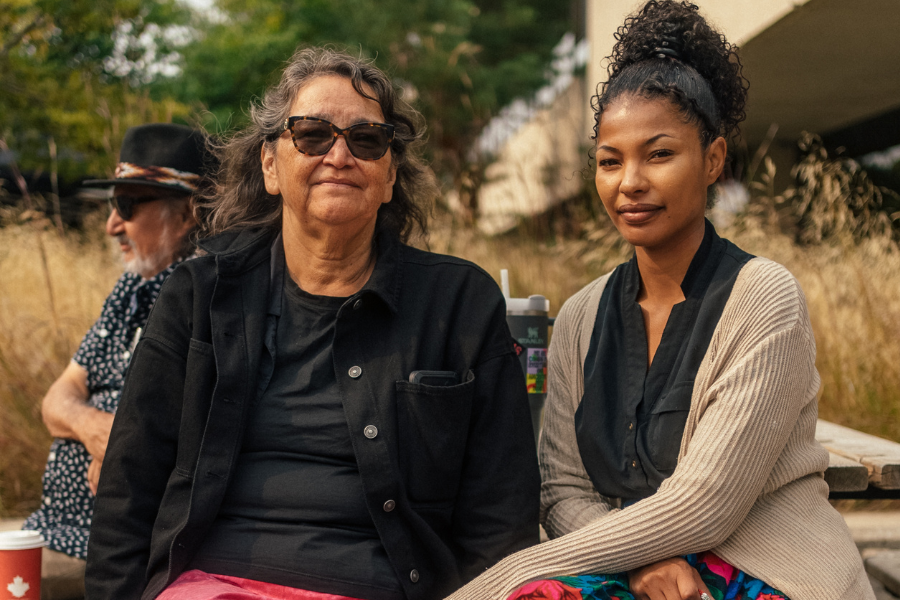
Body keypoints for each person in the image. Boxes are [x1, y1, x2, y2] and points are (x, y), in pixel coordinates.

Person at [443, 3, 875, 600]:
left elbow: (704, 506)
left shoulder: (764, 299)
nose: (630, 182)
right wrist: (643, 564)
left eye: (660, 154)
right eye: (609, 161)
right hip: (633, 576)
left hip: (767, 573)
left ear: (714, 161)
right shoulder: (579, 317)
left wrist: (510, 572)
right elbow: (560, 489)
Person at [85, 47, 540, 600]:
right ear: (270, 165)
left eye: (367, 138)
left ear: (390, 173)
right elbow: (129, 488)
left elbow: (500, 511)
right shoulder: (199, 295)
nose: (340, 155)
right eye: (312, 134)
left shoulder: (460, 304)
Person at [22, 123, 215, 600]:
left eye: (126, 205)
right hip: (57, 530)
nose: (111, 224)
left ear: (189, 214)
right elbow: (56, 399)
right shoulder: (131, 288)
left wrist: (128, 446)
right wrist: (95, 428)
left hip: (126, 548)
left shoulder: (207, 299)